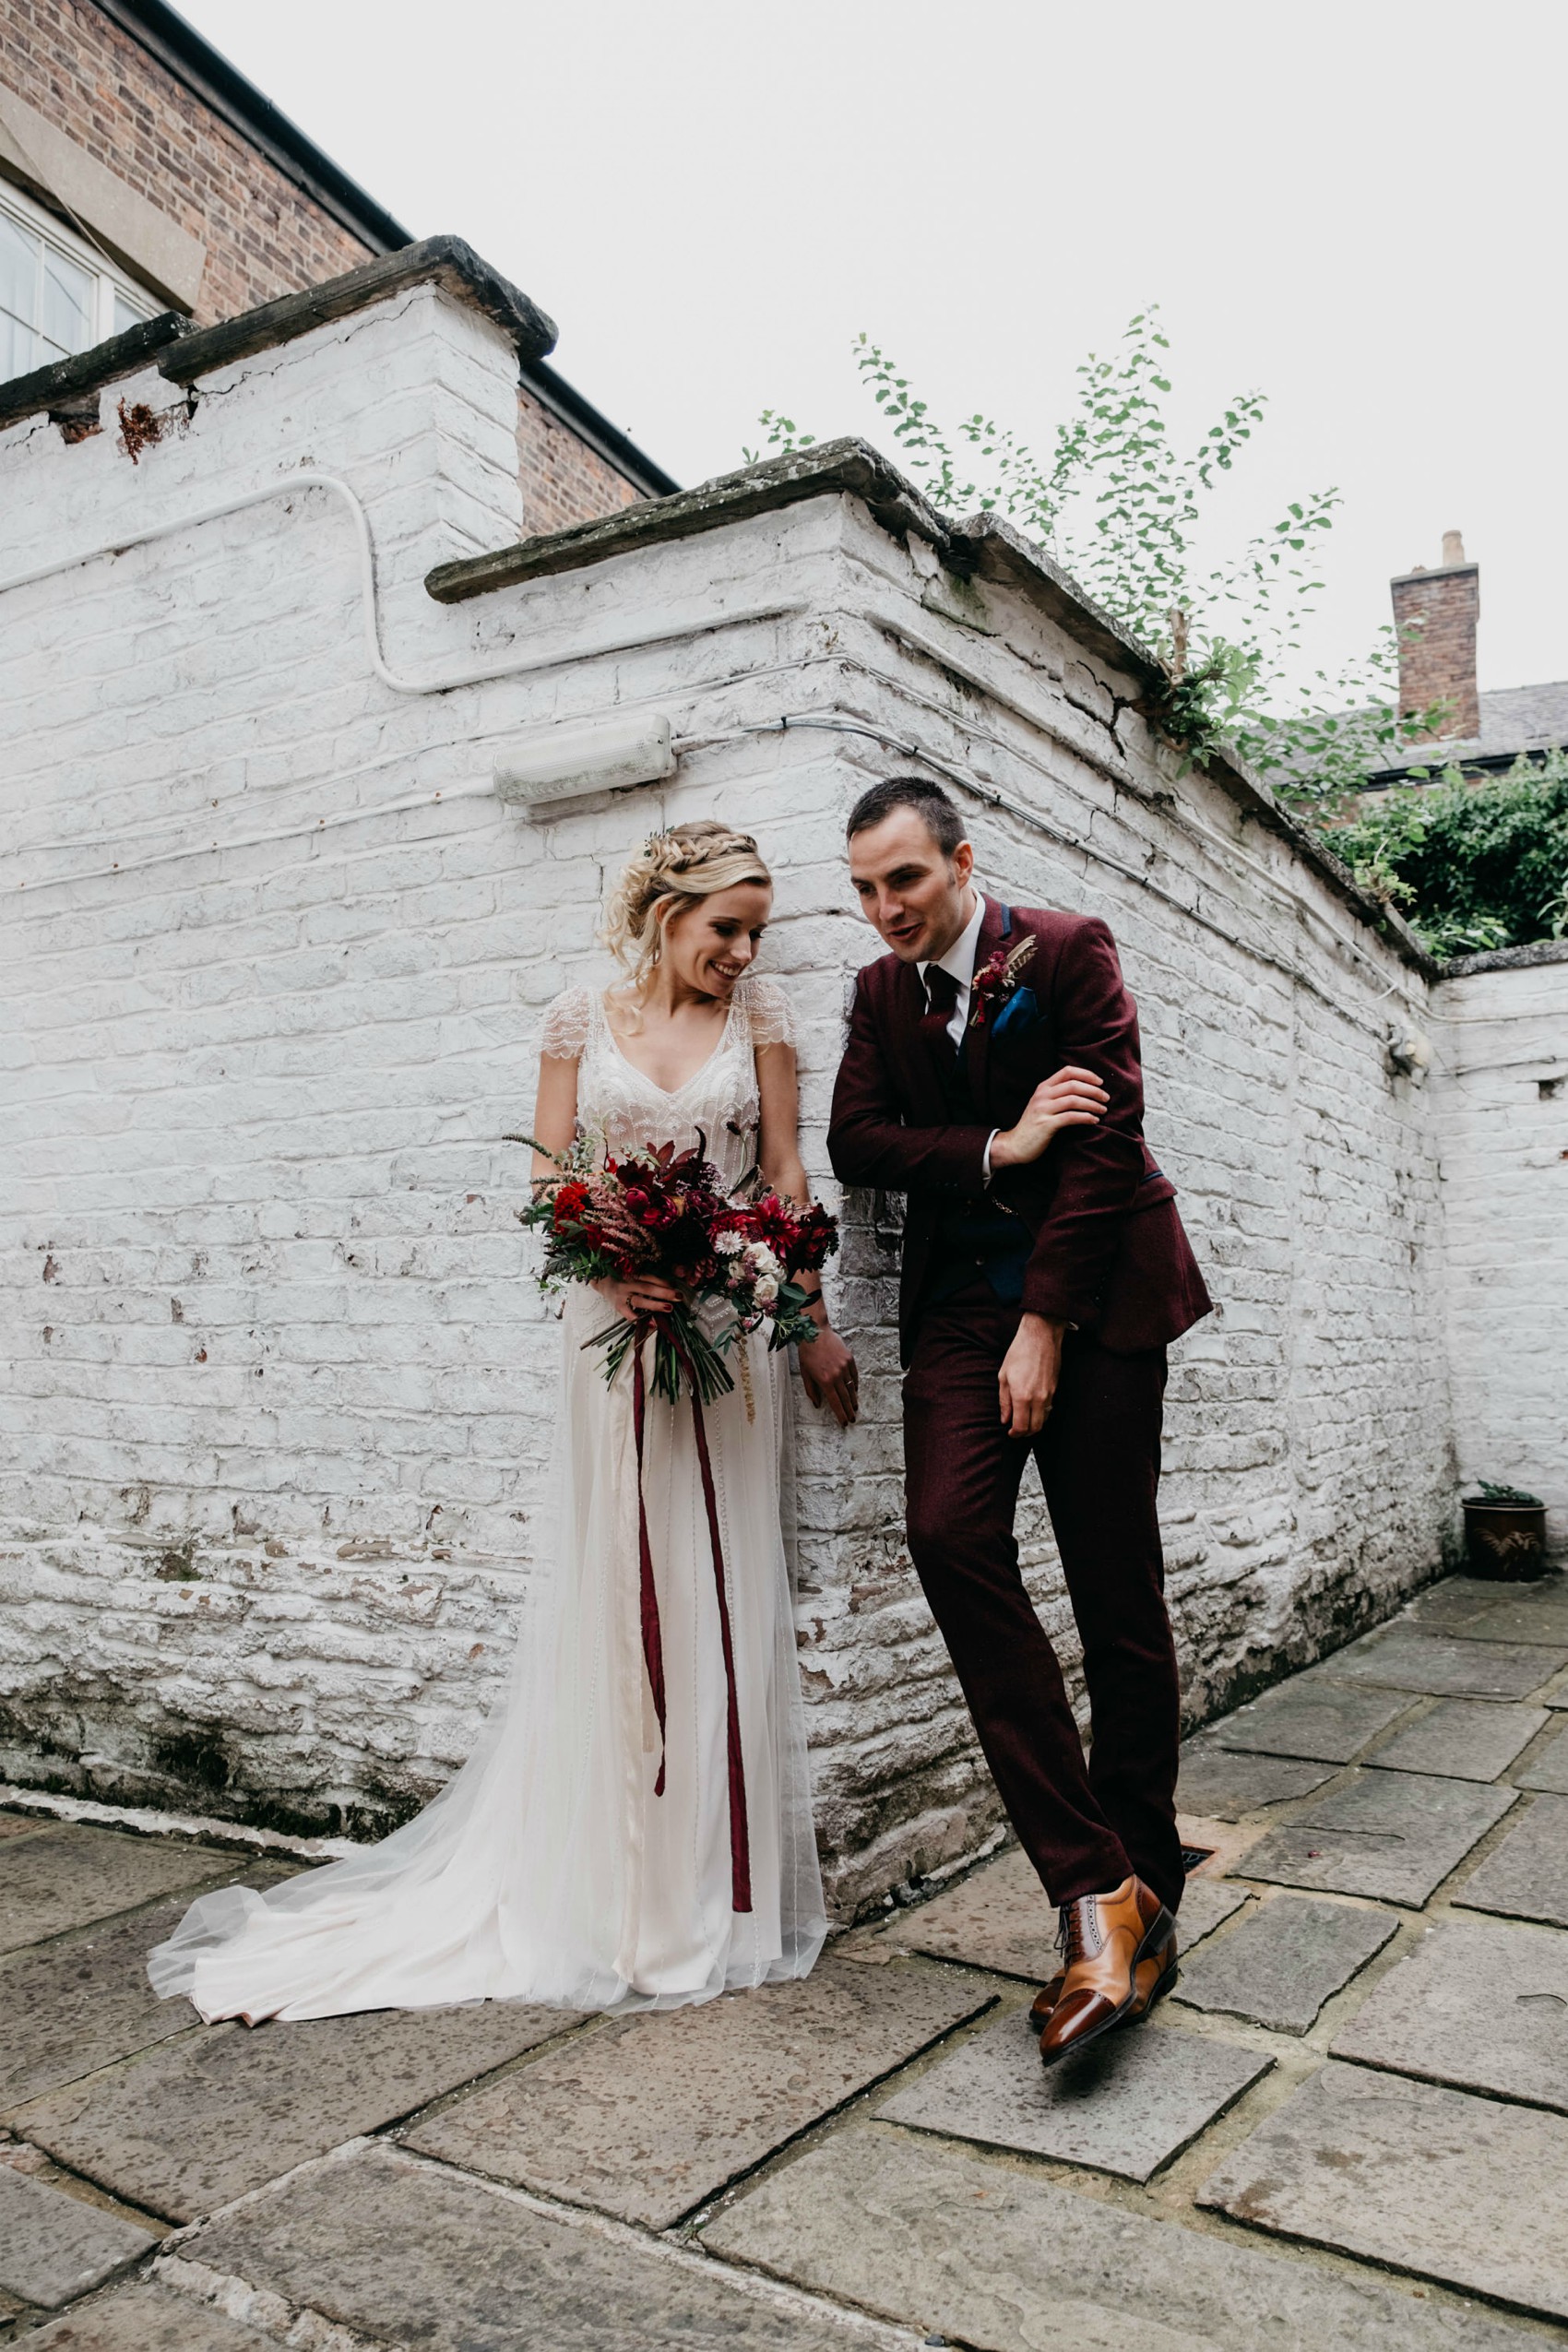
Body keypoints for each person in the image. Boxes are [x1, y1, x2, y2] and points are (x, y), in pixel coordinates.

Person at [149, 820, 856, 2023]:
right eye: (724, 928)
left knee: (714, 1591)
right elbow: (551, 1182)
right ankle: (619, 1888)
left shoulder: (767, 1020)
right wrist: (613, 1260)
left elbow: (784, 1178)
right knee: (623, 1594)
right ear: (665, 912)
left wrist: (810, 1322)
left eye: (757, 931)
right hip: (613, 1337)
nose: (743, 951)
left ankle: (710, 1893)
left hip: (729, 1335)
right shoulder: (579, 1018)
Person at [826, 777, 1211, 2066]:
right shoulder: (880, 996)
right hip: (952, 1309)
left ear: (961, 860)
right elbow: (859, 1141)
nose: (886, 909)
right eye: (868, 888)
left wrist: (1046, 1319)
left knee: (1115, 1589)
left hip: (1096, 1300)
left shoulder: (1066, 947)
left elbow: (1108, 1142)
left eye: (907, 881)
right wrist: (996, 1144)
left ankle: (1147, 1883)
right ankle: (1094, 1883)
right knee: (947, 1535)